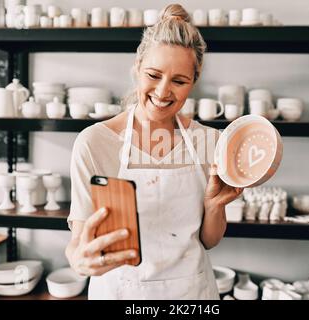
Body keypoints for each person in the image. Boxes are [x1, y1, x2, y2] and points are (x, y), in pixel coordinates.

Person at [66, 4, 243, 300]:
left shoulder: (210, 142)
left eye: (179, 81)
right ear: (136, 68)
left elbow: (209, 241)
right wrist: (78, 260)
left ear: (193, 82)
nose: (163, 92)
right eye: (153, 74)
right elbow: (77, 242)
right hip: (120, 293)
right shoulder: (95, 143)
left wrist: (214, 206)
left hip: (191, 295)